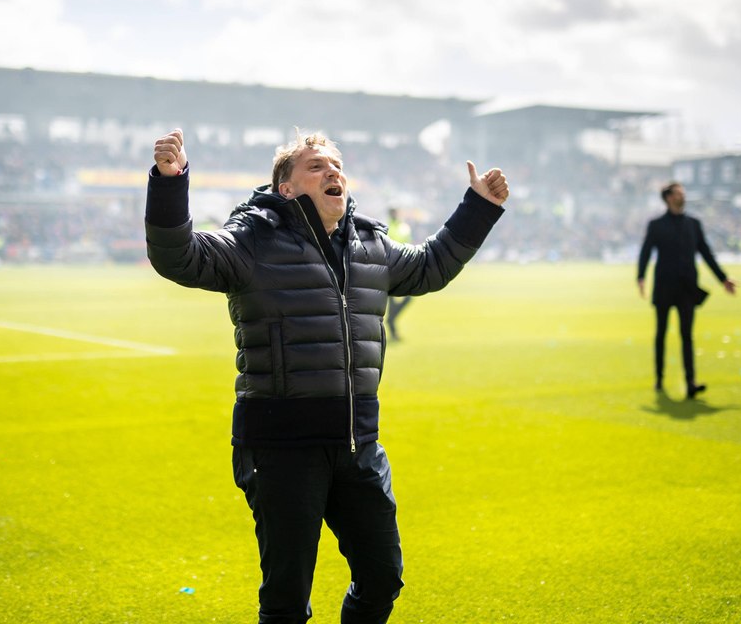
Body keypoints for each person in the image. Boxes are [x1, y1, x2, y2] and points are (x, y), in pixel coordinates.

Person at [145, 128, 509, 624]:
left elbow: (430, 268)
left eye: (335, 164)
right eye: (316, 166)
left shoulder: (370, 244)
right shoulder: (251, 240)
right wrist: (170, 182)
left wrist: (478, 206)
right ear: (287, 188)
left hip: (358, 444)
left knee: (383, 578)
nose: (332, 171)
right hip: (281, 447)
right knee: (287, 600)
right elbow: (178, 256)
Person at [637, 182, 736, 398]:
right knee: (660, 335)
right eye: (679, 193)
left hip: (686, 288)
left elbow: (707, 253)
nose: (683, 195)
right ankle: (659, 379)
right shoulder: (656, 225)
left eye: (683, 192)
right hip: (664, 287)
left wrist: (723, 279)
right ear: (668, 198)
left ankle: (690, 382)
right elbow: (645, 252)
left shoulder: (693, 224)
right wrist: (641, 276)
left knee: (687, 336)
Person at [384, 207, 413, 340]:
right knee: (391, 299)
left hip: (403, 266)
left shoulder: (404, 227)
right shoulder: (387, 226)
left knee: (408, 297)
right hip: (390, 268)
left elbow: (409, 244)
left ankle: (391, 320)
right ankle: (392, 327)